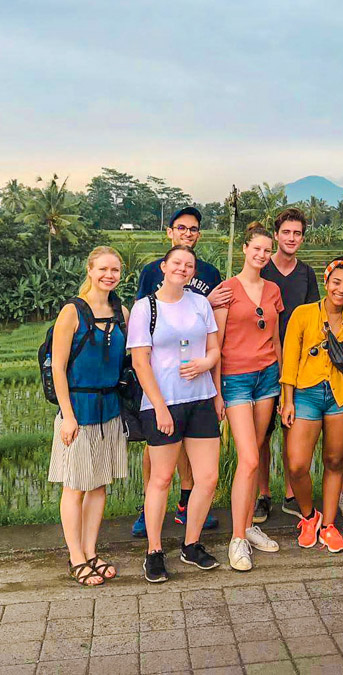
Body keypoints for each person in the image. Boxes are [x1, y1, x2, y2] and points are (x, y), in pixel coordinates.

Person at [131, 206, 228, 537]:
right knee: (157, 457)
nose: (188, 233)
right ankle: (148, 513)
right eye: (182, 227)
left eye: (194, 229)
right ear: (170, 232)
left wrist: (211, 373)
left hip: (197, 384)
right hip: (161, 384)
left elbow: (215, 327)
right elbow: (141, 337)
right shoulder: (149, 276)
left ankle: (187, 506)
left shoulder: (210, 274)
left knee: (195, 453)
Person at [49, 247, 129, 586]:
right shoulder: (72, 312)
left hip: (109, 409)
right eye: (103, 269)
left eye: (115, 270)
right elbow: (58, 366)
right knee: (75, 486)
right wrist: (68, 417)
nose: (109, 275)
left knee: (98, 485)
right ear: (90, 270)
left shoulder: (121, 311)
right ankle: (76, 557)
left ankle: (91, 550)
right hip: (78, 411)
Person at [280, 257, 343, 553]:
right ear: (326, 283)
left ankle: (328, 524)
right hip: (306, 393)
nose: (341, 289)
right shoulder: (303, 314)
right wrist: (287, 400)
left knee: (334, 460)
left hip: (341, 396)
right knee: (298, 463)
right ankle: (308, 515)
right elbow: (289, 359)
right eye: (336, 282)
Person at [214, 224, 284, 572]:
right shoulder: (227, 290)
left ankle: (247, 526)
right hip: (236, 380)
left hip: (268, 378)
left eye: (267, 250)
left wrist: (284, 385)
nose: (262, 255)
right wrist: (217, 393)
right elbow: (217, 343)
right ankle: (237, 539)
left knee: (256, 453)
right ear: (245, 249)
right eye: (257, 248)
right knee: (249, 459)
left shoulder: (272, 289)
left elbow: (275, 339)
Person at [253, 208, 320, 525]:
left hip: (299, 364)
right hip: (264, 360)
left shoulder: (306, 274)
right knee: (262, 433)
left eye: (298, 233)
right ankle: (263, 493)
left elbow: (314, 319)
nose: (292, 238)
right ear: (276, 235)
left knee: (292, 429)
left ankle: (292, 495)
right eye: (287, 233)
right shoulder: (262, 269)